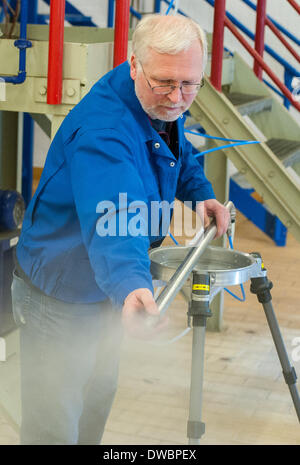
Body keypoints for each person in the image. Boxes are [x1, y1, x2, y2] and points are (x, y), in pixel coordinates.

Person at [11, 14, 230, 445]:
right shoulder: (105, 133)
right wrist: (131, 286)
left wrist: (199, 193)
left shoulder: (155, 93)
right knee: (54, 426)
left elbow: (174, 150)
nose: (178, 97)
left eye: (190, 84)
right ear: (134, 64)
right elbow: (116, 218)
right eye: (166, 83)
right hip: (61, 291)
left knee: (95, 401)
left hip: (104, 292)